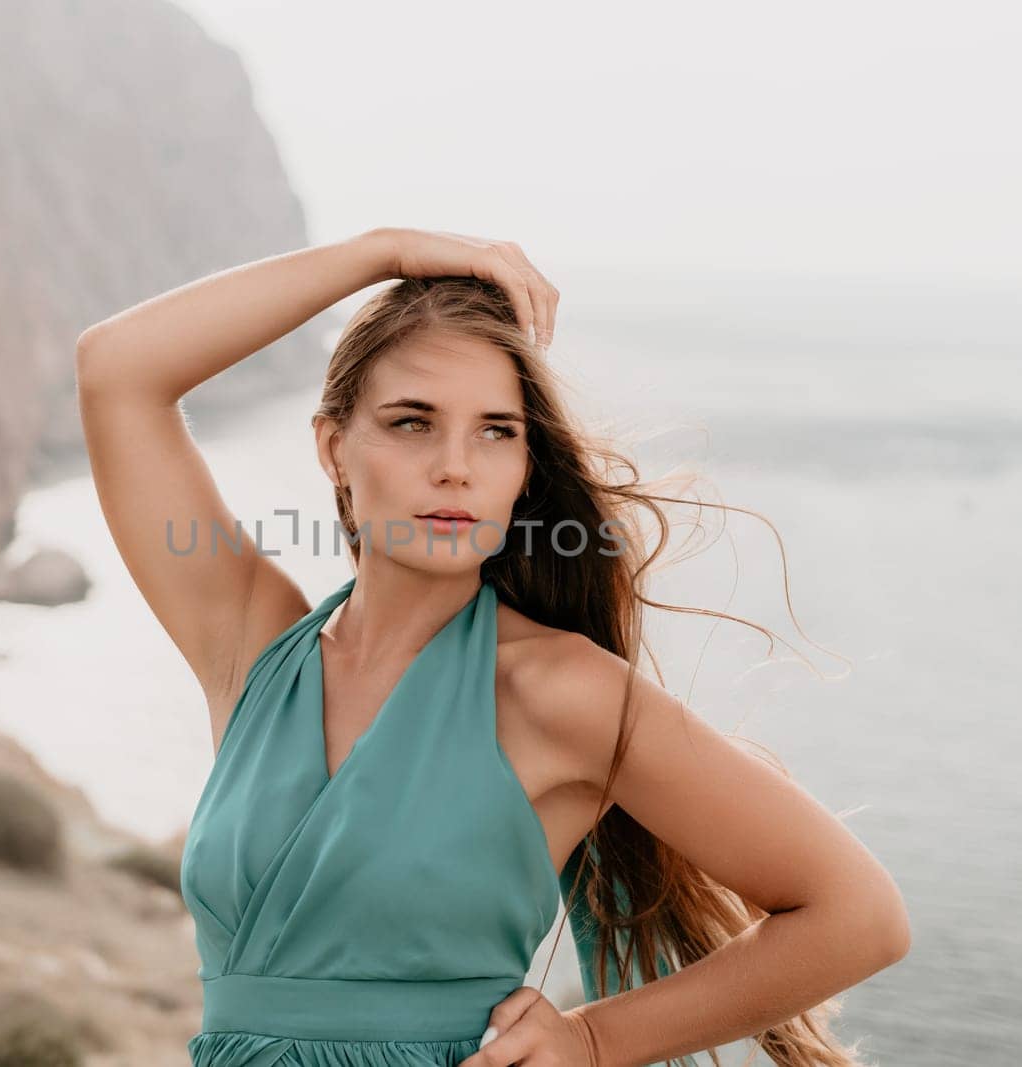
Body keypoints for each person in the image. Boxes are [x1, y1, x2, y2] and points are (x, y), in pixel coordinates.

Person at [75, 228, 911, 1067]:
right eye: (412, 422)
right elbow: (117, 370)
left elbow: (857, 915)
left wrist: (590, 1039)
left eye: (495, 431)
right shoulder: (254, 651)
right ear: (333, 446)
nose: (455, 467)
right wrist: (382, 252)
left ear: (522, 467)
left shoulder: (559, 689)